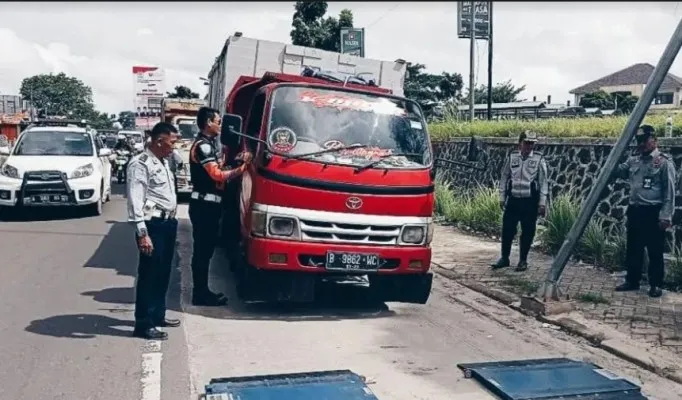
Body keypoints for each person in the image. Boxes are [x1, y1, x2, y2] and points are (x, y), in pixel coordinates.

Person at [189, 107, 253, 306]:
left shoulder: (208, 144)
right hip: (204, 205)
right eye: (218, 121)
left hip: (209, 205)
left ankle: (203, 291)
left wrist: (235, 161)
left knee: (206, 251)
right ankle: (199, 294)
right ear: (208, 122)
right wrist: (242, 169)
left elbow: (220, 168)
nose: (220, 125)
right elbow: (217, 175)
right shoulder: (203, 146)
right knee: (202, 252)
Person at [126, 122, 180, 340]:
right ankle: (143, 323)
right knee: (149, 274)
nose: (174, 147)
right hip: (152, 225)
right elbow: (135, 200)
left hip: (167, 223)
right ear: (159, 141)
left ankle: (158, 314)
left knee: (163, 273)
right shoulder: (140, 164)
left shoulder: (163, 161)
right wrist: (142, 233)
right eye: (172, 142)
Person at [613, 124, 675, 298]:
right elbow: (618, 171)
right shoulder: (634, 160)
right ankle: (632, 281)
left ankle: (655, 284)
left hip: (653, 212)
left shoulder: (663, 163)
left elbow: (668, 192)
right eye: (639, 141)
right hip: (636, 211)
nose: (642, 144)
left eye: (645, 140)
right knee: (634, 248)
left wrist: (665, 216)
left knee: (655, 250)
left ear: (654, 140)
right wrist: (616, 155)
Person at [492, 130, 548, 271]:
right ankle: (505, 258)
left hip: (530, 201)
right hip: (513, 199)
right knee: (507, 230)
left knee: (527, 231)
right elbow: (504, 177)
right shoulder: (512, 157)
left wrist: (542, 203)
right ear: (520, 144)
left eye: (532, 144)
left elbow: (544, 183)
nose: (529, 146)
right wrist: (502, 196)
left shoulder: (538, 159)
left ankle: (523, 261)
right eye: (527, 143)